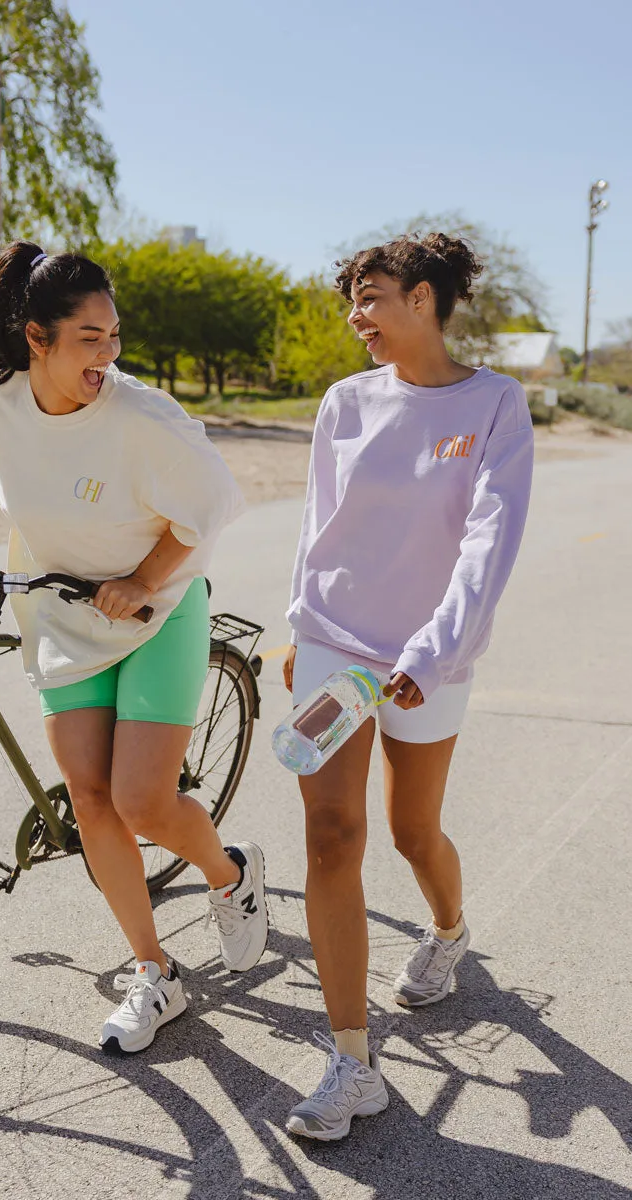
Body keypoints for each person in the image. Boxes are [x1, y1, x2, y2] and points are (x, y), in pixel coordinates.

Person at [0, 242, 268, 1054]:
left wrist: (142, 578)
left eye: (114, 337)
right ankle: (154, 972)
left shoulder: (142, 419)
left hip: (155, 612)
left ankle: (231, 874)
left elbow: (214, 501)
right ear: (38, 338)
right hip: (60, 609)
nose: (107, 355)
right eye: (89, 339)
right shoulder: (3, 390)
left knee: (142, 802)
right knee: (91, 801)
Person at [281, 233, 534, 1139]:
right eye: (353, 300)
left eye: (371, 297)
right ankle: (353, 1062)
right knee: (329, 834)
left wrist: (428, 655)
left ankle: (447, 929)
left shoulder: (496, 404)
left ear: (423, 299)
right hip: (334, 650)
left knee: (410, 829)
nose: (357, 317)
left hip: (430, 660)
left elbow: (487, 544)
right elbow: (320, 524)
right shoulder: (343, 403)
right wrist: (298, 627)